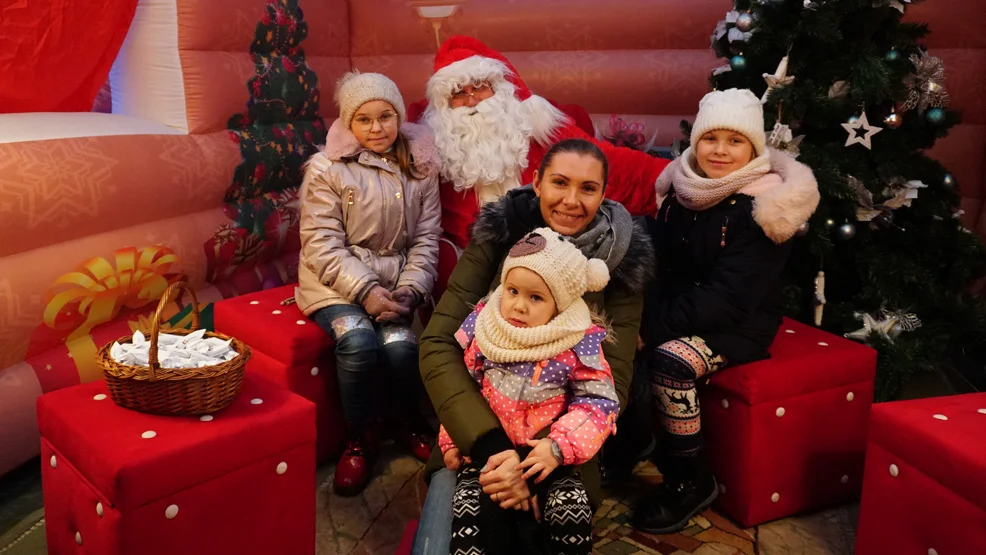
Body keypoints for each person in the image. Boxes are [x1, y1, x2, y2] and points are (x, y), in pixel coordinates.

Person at [413, 138, 654, 554]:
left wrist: (537, 459)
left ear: (603, 193)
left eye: (588, 188)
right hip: (475, 439)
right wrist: (490, 447)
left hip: (558, 455)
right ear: (538, 182)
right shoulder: (500, 234)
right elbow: (438, 344)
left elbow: (609, 383)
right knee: (443, 542)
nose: (571, 200)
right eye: (560, 182)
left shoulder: (622, 263)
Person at [631, 88, 820, 533]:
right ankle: (632, 443)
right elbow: (662, 264)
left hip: (738, 321)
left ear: (753, 148)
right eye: (710, 138)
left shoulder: (764, 207)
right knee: (614, 335)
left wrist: (651, 329)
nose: (720, 150)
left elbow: (729, 297)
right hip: (683, 307)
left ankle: (689, 479)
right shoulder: (683, 190)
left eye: (735, 141)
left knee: (671, 361)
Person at [296, 71, 442, 496]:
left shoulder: (420, 166)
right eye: (364, 119)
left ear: (398, 117)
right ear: (349, 122)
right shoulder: (328, 167)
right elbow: (321, 244)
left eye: (385, 117)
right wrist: (365, 292)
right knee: (358, 341)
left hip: (394, 282)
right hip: (334, 283)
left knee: (401, 346)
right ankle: (359, 436)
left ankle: (406, 420)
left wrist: (411, 288)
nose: (376, 128)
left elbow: (426, 237)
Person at [440, 227, 618, 554]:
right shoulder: (486, 328)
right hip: (488, 451)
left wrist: (559, 446)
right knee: (470, 521)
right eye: (512, 291)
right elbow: (464, 388)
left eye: (536, 297)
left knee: (569, 515)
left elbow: (599, 403)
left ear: (559, 306)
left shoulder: (575, 343)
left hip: (547, 455)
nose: (519, 306)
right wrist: (453, 439)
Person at [407, 35, 671, 249]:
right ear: (444, 104)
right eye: (459, 93)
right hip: (469, 262)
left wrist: (667, 175)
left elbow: (599, 160)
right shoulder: (433, 149)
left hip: (548, 252)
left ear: (498, 88)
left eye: (479, 87)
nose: (472, 100)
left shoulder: (536, 129)